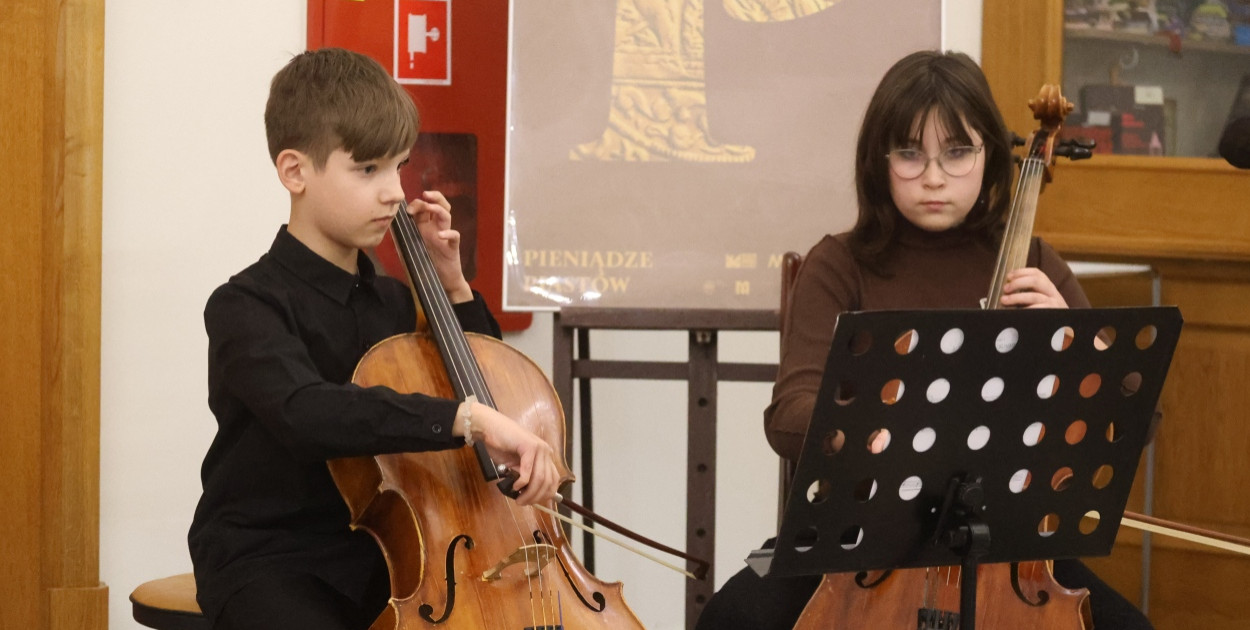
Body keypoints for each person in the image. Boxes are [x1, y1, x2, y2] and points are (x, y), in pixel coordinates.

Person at [696, 50, 1154, 630]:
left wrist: (1080, 342)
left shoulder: (1033, 264)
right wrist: (874, 434)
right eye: (910, 154)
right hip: (861, 537)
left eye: (957, 152)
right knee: (732, 619)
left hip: (1009, 546)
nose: (934, 177)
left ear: (990, 155)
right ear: (877, 160)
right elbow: (789, 414)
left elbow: (1138, 416)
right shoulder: (839, 265)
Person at [188, 48, 561, 630]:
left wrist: (454, 287)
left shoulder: (396, 303)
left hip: (395, 556)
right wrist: (467, 420)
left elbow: (492, 389)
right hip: (276, 561)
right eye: (368, 170)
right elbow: (307, 413)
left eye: (399, 166)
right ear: (295, 171)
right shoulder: (245, 306)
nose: (393, 192)